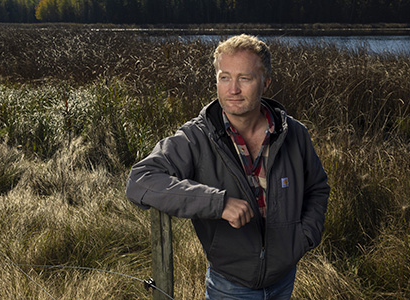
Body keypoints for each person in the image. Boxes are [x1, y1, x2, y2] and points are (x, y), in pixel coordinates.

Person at [126, 34, 330, 300]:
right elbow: (140, 181)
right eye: (224, 77)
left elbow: (317, 187)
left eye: (244, 78)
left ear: (265, 83)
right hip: (230, 285)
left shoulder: (294, 134)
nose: (233, 89)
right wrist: (218, 203)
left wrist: (304, 238)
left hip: (283, 279)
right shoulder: (196, 137)